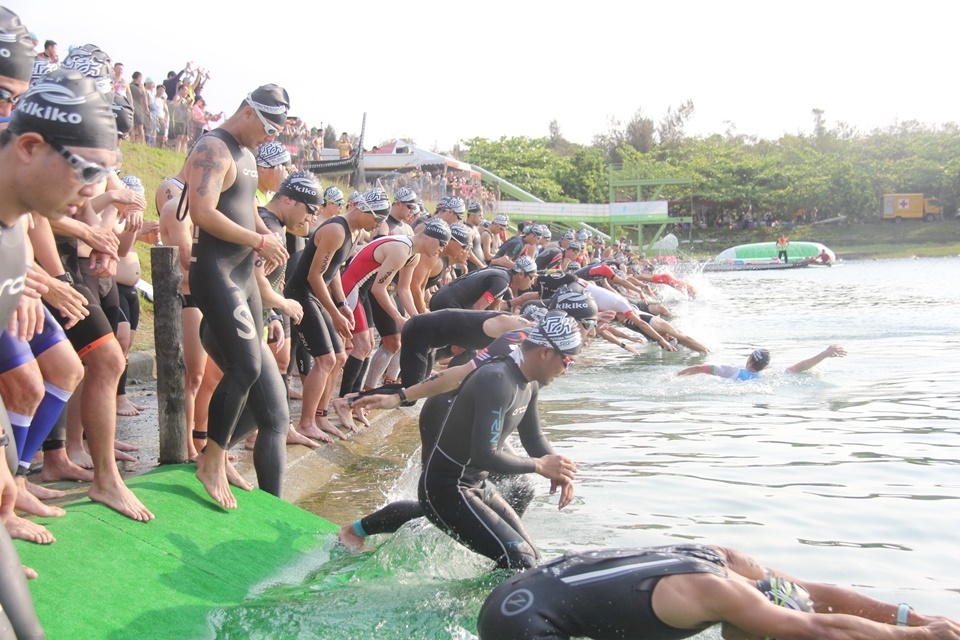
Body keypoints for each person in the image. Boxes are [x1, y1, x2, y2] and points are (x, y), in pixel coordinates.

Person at [477, 542, 960, 640]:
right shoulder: (723, 596)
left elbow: (817, 591)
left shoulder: (724, 558)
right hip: (522, 623)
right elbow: (818, 627)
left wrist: (909, 616)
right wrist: (924, 639)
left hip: (529, 586)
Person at [184, 83, 295, 509]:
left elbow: (246, 208)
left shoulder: (248, 157)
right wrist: (257, 239)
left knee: (265, 393)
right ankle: (211, 458)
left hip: (244, 275)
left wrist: (265, 236)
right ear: (247, 111)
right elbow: (202, 212)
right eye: (266, 127)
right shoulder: (213, 148)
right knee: (245, 365)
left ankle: (222, 454)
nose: (269, 138)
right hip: (216, 272)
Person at [418, 311, 581, 569]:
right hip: (447, 488)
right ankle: (479, 608)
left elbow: (534, 437)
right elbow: (486, 454)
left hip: (476, 485)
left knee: (532, 559)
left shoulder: (529, 383)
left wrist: (559, 470)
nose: (567, 371)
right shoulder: (497, 379)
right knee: (521, 560)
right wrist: (540, 466)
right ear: (546, 352)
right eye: (568, 361)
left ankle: (492, 599)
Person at [677, 345, 846, 380]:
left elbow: (700, 368)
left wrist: (675, 376)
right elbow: (801, 366)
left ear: (749, 360)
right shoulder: (771, 375)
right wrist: (824, 354)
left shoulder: (734, 372)